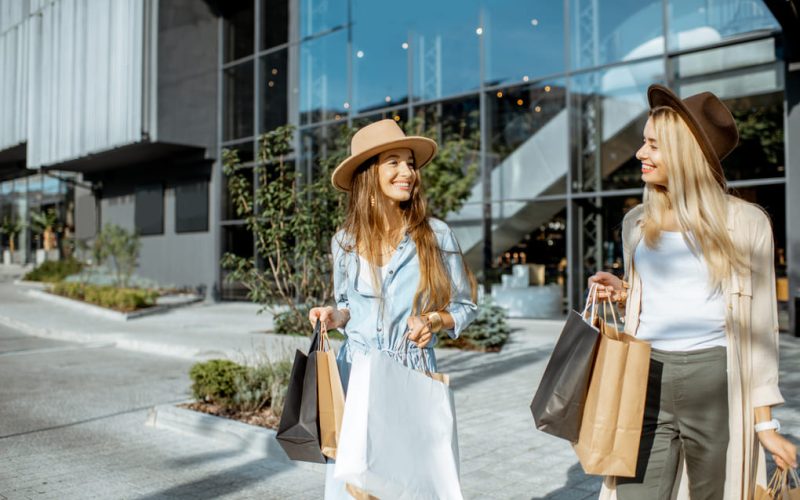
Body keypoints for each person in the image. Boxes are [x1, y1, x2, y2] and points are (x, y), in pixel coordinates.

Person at [589, 84, 797, 499]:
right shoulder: (637, 222)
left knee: (711, 494)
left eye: (652, 144)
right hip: (643, 376)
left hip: (714, 381)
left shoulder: (746, 224)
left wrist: (766, 426)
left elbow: (760, 331)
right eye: (643, 142)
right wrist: (627, 293)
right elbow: (672, 295)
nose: (639, 154)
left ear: (685, 153)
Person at [309, 119, 479, 499]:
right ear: (370, 174)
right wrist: (335, 317)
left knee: (409, 487)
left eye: (410, 164)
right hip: (355, 375)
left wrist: (435, 320)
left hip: (410, 375)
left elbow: (465, 305)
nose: (408, 172)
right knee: (352, 487)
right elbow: (347, 305)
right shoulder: (344, 242)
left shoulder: (435, 236)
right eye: (394, 162)